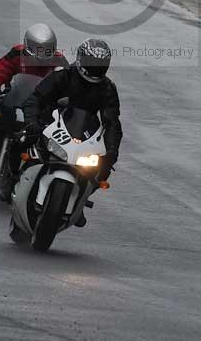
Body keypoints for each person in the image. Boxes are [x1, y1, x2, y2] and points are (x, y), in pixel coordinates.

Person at [18, 38, 123, 222]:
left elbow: (112, 122)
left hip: (82, 134)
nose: (95, 68)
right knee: (21, 141)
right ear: (81, 59)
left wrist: (112, 151)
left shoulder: (107, 88)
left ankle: (81, 198)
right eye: (92, 63)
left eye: (100, 64)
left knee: (101, 169)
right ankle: (11, 181)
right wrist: (32, 123)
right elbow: (35, 99)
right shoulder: (63, 75)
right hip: (49, 125)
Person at [0, 23, 68, 162]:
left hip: (40, 105)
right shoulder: (17, 53)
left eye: (46, 49)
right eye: (38, 49)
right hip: (15, 97)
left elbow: (67, 82)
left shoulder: (59, 61)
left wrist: (64, 100)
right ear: (28, 45)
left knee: (48, 132)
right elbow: (1, 69)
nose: (42, 53)